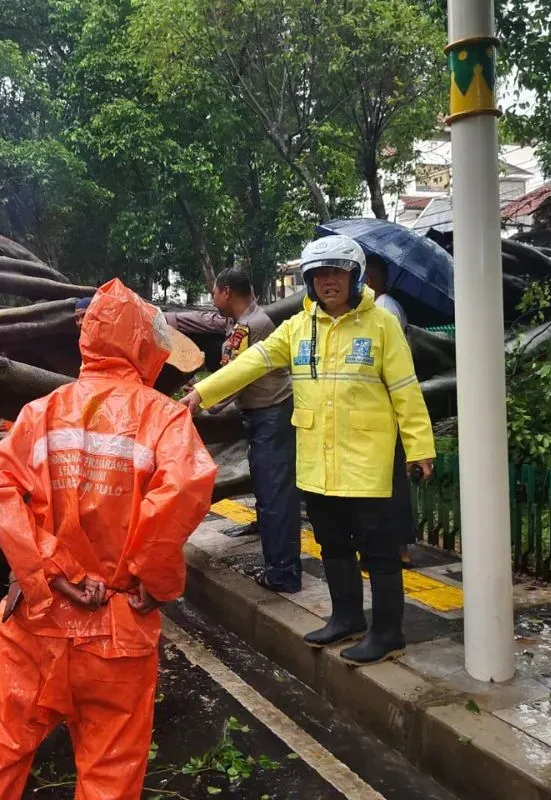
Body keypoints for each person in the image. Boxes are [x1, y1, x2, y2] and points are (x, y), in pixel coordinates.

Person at [0, 278, 218, 799]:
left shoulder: (42, 413)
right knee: (110, 776)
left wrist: (47, 569)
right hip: (118, 630)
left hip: (37, 621)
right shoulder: (165, 419)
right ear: (148, 345)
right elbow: (184, 486)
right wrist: (153, 579)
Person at [180, 235, 435, 665]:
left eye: (336, 272)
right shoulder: (299, 327)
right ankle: (347, 617)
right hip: (318, 461)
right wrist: (202, 393)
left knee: (379, 551)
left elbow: (406, 391)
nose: (328, 282)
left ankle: (388, 632)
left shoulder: (381, 325)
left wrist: (419, 449)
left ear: (354, 276)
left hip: (368, 461)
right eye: (319, 275)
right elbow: (254, 361)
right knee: (332, 544)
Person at [165, 267, 301, 593]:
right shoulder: (242, 321)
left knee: (274, 496)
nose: (212, 299)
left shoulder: (249, 328)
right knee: (271, 493)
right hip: (267, 416)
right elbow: (201, 326)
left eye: (214, 292)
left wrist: (201, 398)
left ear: (226, 292)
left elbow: (235, 376)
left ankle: (283, 573)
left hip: (271, 418)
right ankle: (282, 567)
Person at [365, 255, 416, 569]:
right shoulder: (392, 305)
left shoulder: (382, 310)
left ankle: (396, 548)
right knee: (392, 478)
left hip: (385, 407)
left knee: (389, 480)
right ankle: (398, 546)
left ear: (368, 281)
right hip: (387, 405)